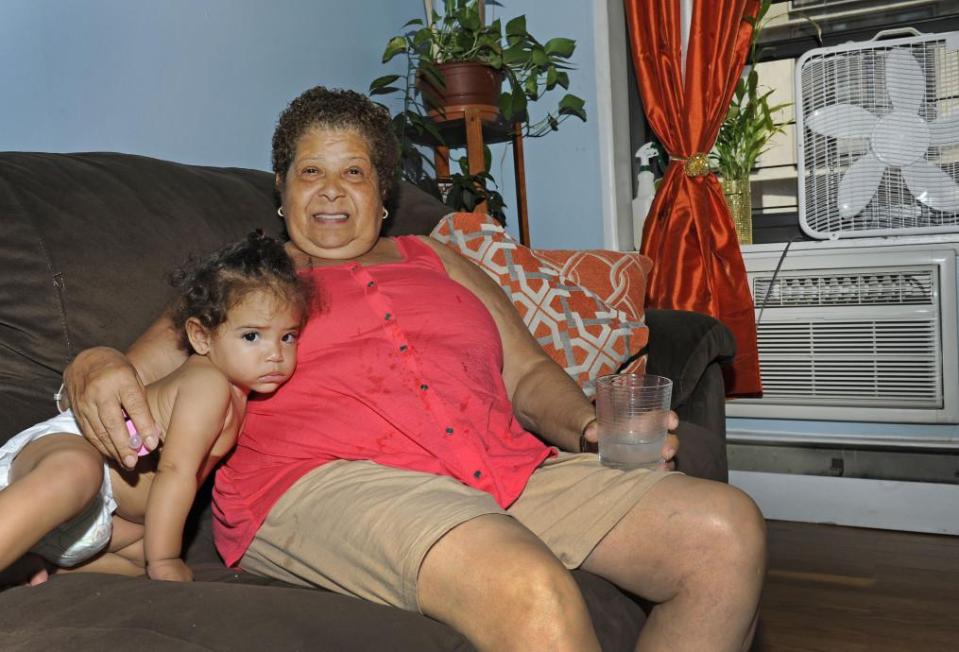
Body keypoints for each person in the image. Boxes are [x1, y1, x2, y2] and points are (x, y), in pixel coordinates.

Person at [64, 87, 766, 651]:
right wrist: (91, 365)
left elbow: (525, 375)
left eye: (353, 173)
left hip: (505, 468)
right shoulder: (246, 277)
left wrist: (586, 426)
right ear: (282, 190)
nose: (332, 192)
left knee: (722, 531)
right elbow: (124, 366)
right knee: (526, 585)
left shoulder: (439, 261)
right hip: (327, 484)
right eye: (311, 172)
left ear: (383, 192)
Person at [0, 232, 308, 586]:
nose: (275, 354)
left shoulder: (240, 392)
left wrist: (152, 551)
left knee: (138, 554)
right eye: (252, 336)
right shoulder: (207, 384)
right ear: (201, 337)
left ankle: (34, 561)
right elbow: (175, 470)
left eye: (288, 337)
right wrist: (165, 560)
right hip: (75, 451)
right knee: (76, 473)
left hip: (102, 516)